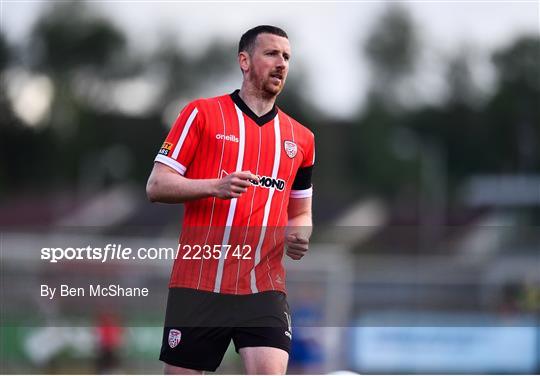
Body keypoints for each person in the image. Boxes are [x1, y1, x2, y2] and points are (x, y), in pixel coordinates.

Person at [146, 25, 315, 375]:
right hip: (199, 284)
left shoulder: (302, 139)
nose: (281, 63)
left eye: (286, 57)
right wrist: (214, 187)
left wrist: (300, 234)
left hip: (263, 286)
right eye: (271, 53)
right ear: (244, 60)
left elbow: (300, 212)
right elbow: (156, 185)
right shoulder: (201, 114)